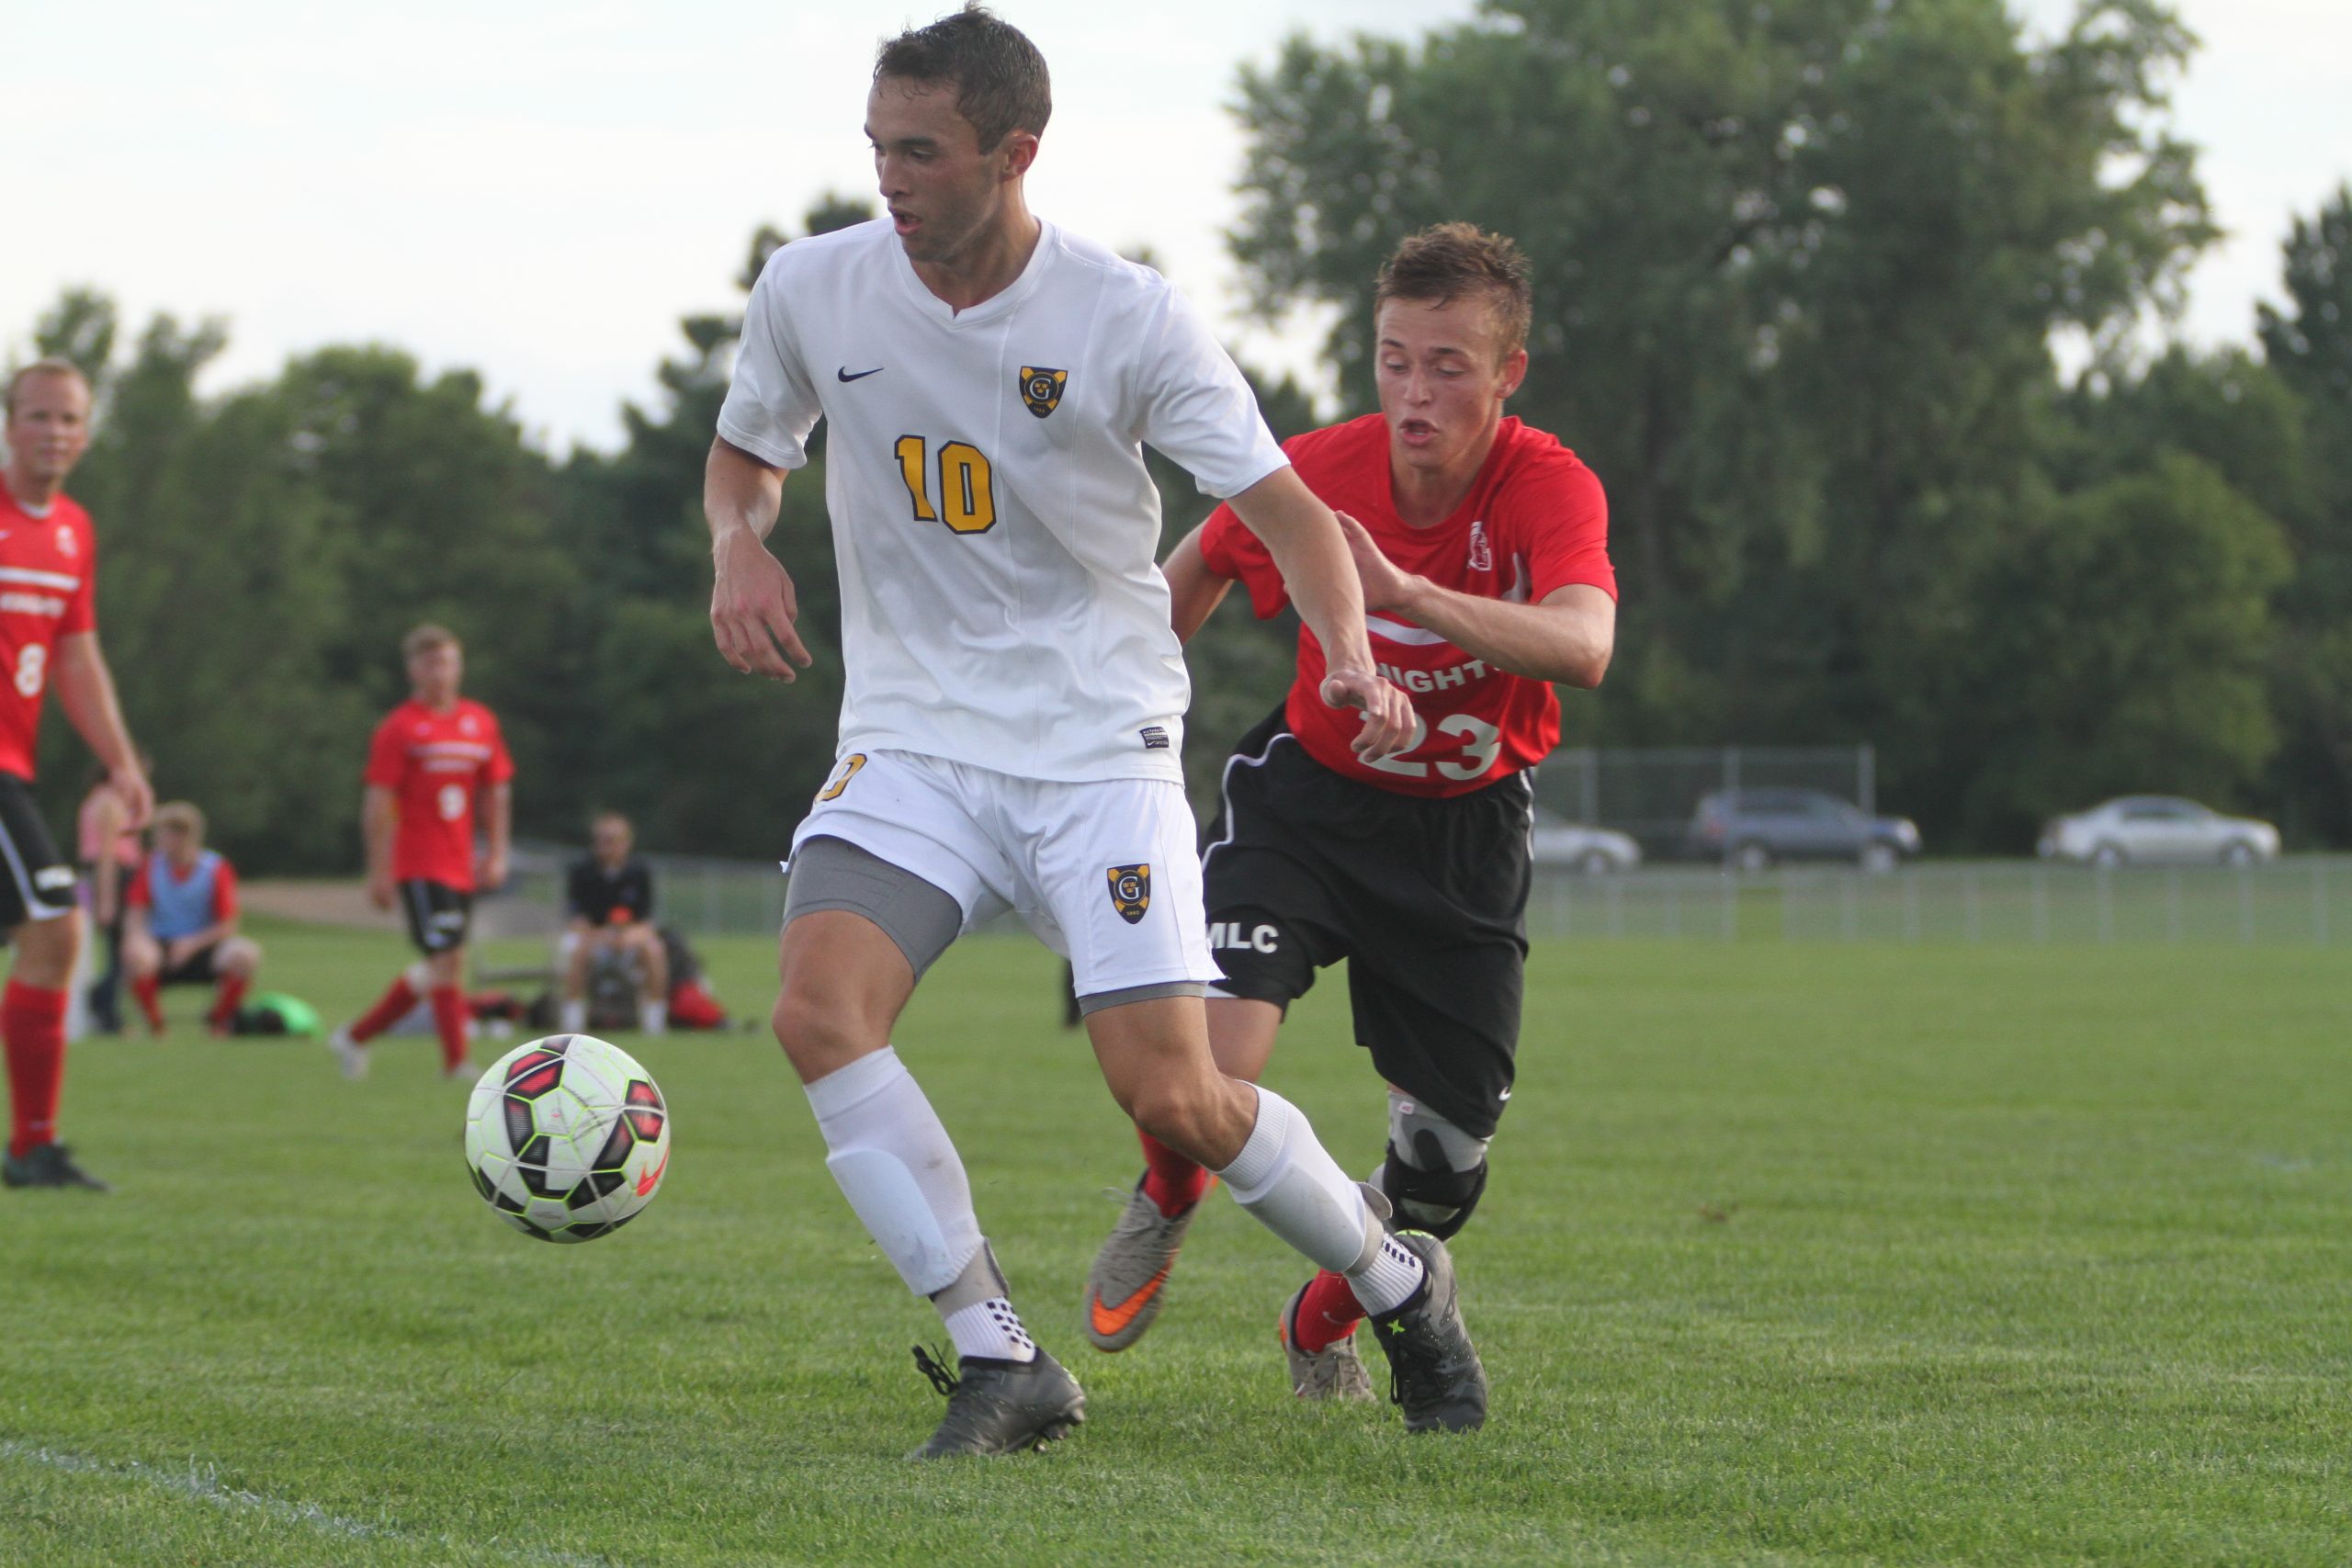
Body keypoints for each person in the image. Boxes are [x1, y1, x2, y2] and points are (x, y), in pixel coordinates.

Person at [705, 6, 1485, 1456]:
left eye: (922, 152)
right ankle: (1002, 1355)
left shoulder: (1125, 315)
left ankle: (1396, 1279)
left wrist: (1348, 648)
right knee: (818, 1011)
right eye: (877, 147)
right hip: (914, 740)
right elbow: (749, 450)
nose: (891, 178)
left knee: (1177, 1096)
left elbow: (1286, 514)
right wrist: (737, 545)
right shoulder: (814, 287)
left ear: (1016, 151)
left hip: (1094, 747)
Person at [1080, 224, 1617, 1402]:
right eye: (1393, 360)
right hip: (1306, 807)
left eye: (1448, 366)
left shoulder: (1548, 485)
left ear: (1508, 373)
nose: (1415, 393)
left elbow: (1585, 644)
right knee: (1208, 1069)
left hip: (1464, 839)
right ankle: (1169, 1189)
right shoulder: (1316, 468)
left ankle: (1324, 1318)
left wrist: (1409, 591)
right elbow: (1206, 561)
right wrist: (1107, 705)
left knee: (1438, 1180)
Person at [0, 359, 154, 1191]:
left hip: (12, 767)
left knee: (49, 939)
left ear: (85, 434)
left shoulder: (72, 532)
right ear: (9, 424)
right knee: (58, 928)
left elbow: (77, 655)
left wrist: (122, 760)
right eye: (36, 416)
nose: (52, 431)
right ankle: (31, 1147)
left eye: (67, 419)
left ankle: (33, 1145)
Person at [328, 625, 513, 1080]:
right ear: (413, 670)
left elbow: (496, 792)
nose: (440, 672)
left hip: (460, 863)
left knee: (446, 963)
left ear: (460, 666)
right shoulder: (400, 728)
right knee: (446, 961)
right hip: (418, 863)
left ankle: (354, 1036)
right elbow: (376, 804)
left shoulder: (479, 722)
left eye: (448, 662)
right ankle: (456, 1063)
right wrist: (379, 871)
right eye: (430, 663)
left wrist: (496, 852)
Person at [121, 802, 263, 1035]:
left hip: (205, 945)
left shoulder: (216, 868)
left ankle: (218, 1023)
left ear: (183, 835)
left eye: (162, 833)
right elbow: (136, 913)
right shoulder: (150, 866)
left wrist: (191, 944)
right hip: (162, 944)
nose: (157, 839)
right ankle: (156, 1027)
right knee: (137, 955)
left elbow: (228, 924)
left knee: (244, 954)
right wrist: (135, 939)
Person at [560, 810, 667, 1035]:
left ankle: (654, 1020)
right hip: (593, 940)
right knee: (576, 951)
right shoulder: (582, 872)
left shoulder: (639, 872)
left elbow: (646, 922)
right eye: (599, 840)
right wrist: (602, 937)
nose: (604, 846)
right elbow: (576, 920)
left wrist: (628, 937)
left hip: (628, 941)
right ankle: (573, 1022)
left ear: (626, 842)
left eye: (611, 840)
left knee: (654, 950)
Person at [78, 756, 146, 1033]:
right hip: (116, 877)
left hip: (106, 875)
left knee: (117, 951)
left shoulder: (96, 798)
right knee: (120, 951)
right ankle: (106, 1012)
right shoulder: (110, 803)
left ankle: (105, 1007)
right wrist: (106, 900)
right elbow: (107, 854)